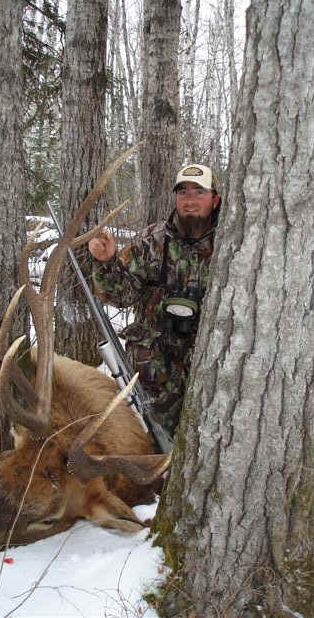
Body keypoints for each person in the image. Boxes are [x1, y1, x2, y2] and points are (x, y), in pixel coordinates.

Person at [88, 164, 221, 438]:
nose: (190, 200)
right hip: (153, 373)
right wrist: (106, 263)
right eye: (183, 192)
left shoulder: (232, 243)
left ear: (215, 199)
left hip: (209, 368)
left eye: (199, 191)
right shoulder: (151, 240)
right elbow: (120, 295)